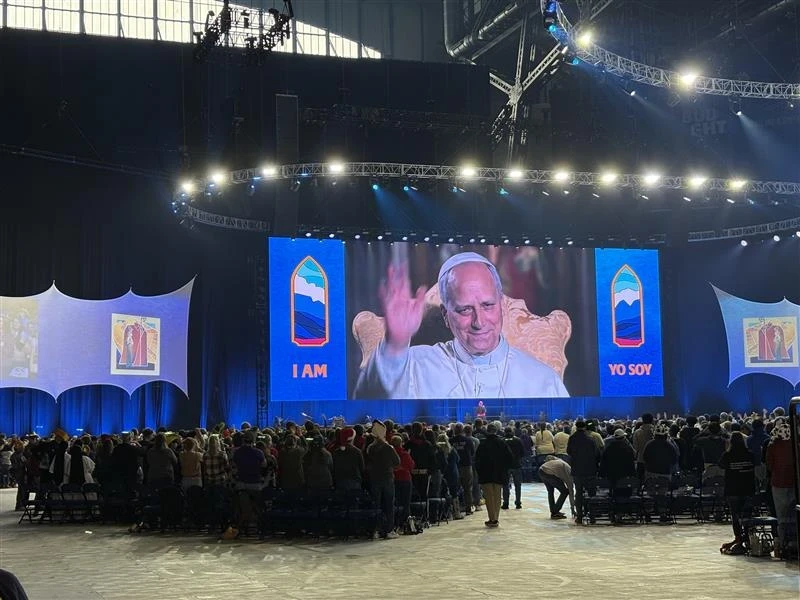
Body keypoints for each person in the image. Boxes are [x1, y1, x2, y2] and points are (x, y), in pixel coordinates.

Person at [354, 253, 569, 399]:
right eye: (465, 309)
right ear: (446, 316)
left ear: (502, 305)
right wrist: (395, 342)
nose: (479, 321)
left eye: (487, 305)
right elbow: (368, 404)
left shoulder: (542, 378)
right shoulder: (413, 366)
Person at [719, 431, 755, 555]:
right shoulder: (750, 454)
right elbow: (756, 463)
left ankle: (739, 539)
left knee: (735, 516)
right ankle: (749, 538)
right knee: (747, 516)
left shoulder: (728, 455)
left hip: (733, 489)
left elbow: (721, 465)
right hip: (748, 489)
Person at [474, 422, 513, 528]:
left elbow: (477, 459)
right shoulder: (502, 443)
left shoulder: (483, 443)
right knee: (497, 496)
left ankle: (491, 518)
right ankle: (496, 518)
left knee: (489, 497)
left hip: (486, 473)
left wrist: (479, 471)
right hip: (499, 473)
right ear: (496, 431)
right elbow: (510, 458)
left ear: (487, 430)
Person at [539, 455, 574, 519]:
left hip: (541, 470)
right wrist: (573, 509)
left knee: (550, 491)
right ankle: (555, 511)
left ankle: (553, 511)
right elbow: (571, 490)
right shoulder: (569, 472)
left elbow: (549, 457)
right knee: (565, 492)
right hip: (549, 473)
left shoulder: (561, 461)